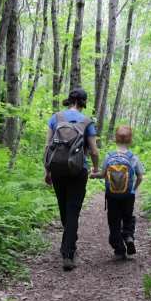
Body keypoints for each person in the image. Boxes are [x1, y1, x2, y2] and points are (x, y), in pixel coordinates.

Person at [44, 88, 100, 271]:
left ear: (69, 100)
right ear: (83, 103)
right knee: (73, 209)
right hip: (78, 170)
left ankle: (68, 244)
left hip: (57, 169)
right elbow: (93, 150)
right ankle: (68, 252)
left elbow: (48, 146)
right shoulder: (87, 121)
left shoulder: (56, 118)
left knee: (63, 207)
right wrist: (96, 168)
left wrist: (47, 171)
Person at [91, 125, 145, 260]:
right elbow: (140, 176)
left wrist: (93, 174)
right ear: (130, 140)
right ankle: (128, 236)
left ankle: (119, 249)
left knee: (113, 221)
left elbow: (103, 174)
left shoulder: (109, 156)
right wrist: (133, 189)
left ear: (115, 139)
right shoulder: (133, 158)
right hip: (128, 195)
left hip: (112, 196)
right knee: (127, 217)